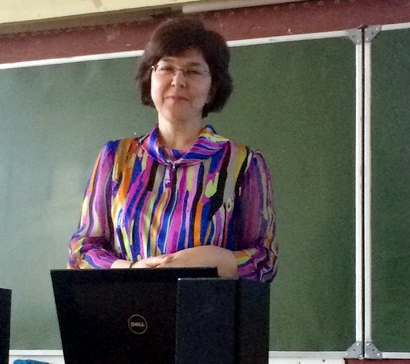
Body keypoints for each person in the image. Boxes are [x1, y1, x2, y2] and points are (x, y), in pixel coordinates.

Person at [68, 15, 277, 281]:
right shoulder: (115, 158)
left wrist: (216, 260)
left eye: (193, 71)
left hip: (207, 306)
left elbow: (265, 260)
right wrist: (132, 270)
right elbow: (81, 252)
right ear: (150, 79)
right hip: (127, 305)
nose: (178, 81)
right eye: (166, 68)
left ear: (212, 89)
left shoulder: (243, 164)